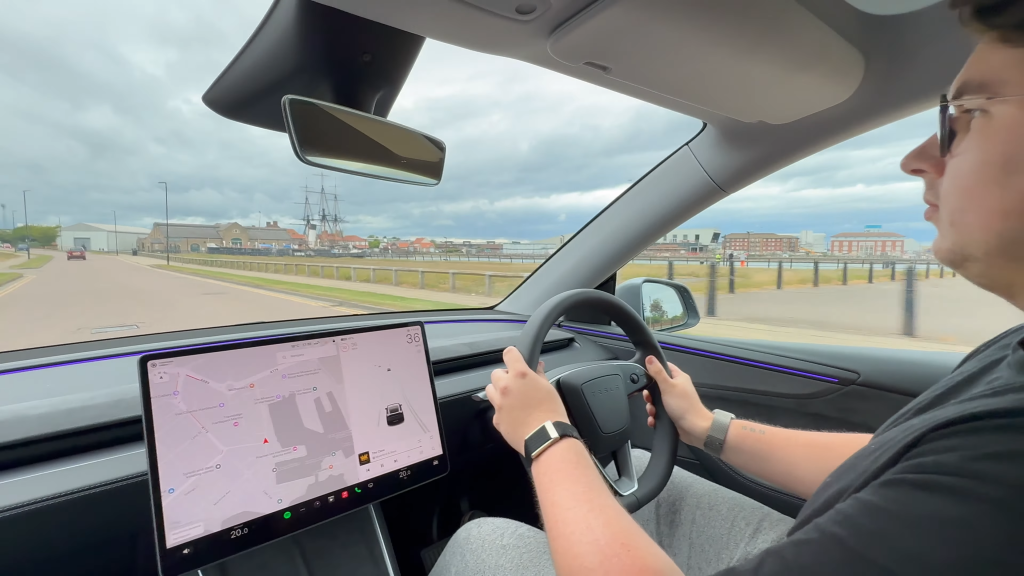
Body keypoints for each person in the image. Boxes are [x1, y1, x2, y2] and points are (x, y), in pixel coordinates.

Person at [430, 1, 1024, 575]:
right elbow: (894, 460)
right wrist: (706, 427)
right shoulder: (1009, 361)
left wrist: (544, 433)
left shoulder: (1002, 473)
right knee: (645, 481)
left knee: (486, 542)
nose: (915, 158)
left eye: (969, 114)